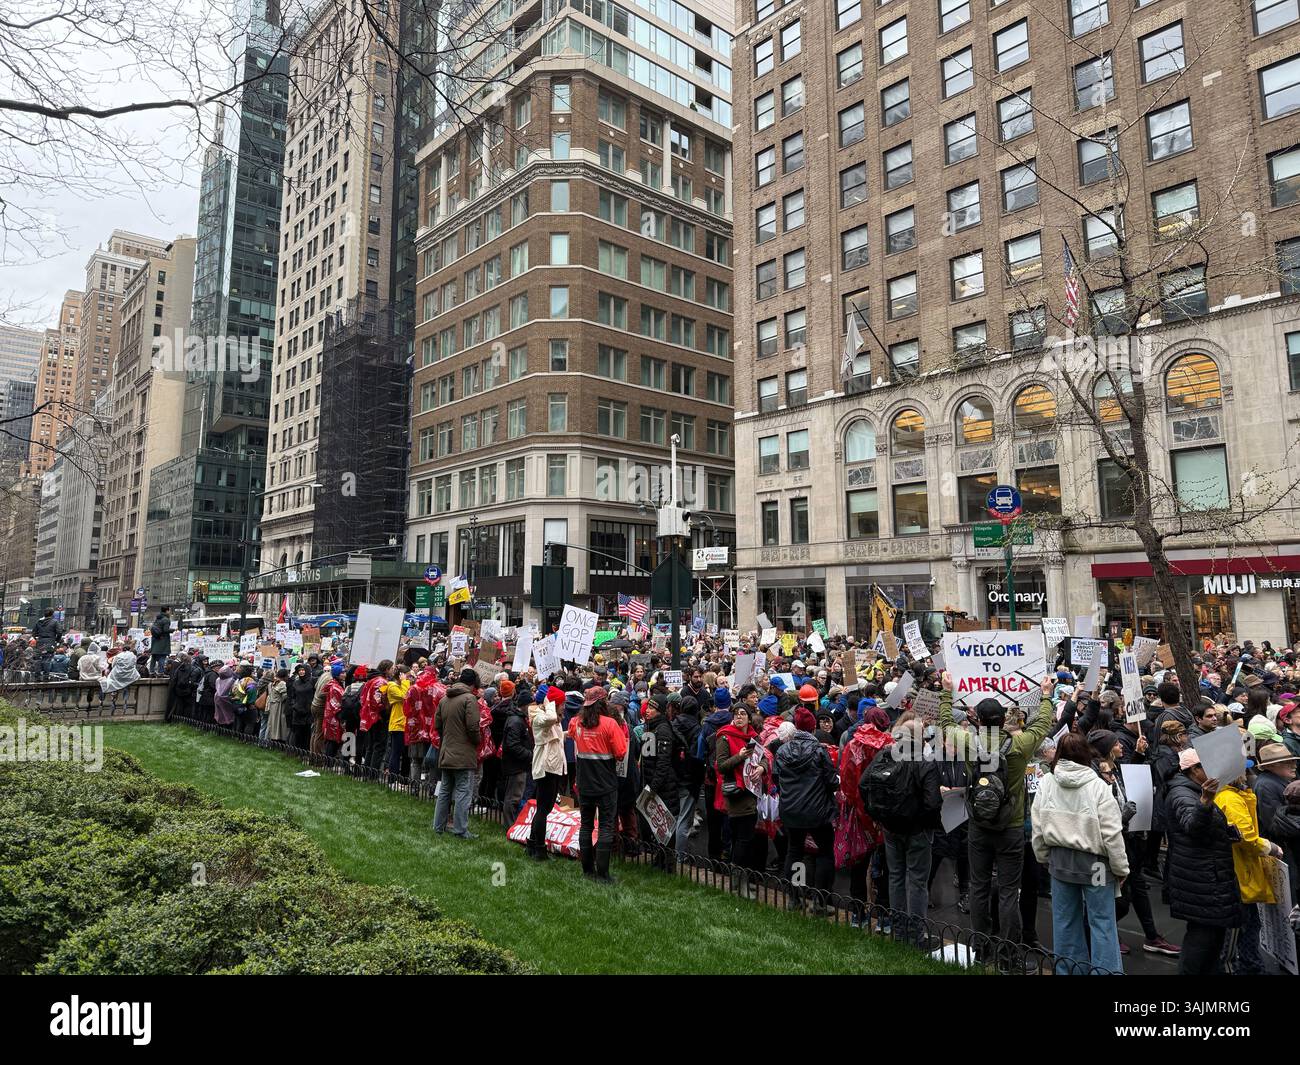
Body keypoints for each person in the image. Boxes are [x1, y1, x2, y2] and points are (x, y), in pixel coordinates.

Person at [938, 673, 1056, 960]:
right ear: (1004, 721)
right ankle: (1009, 955)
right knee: (1008, 891)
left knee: (978, 888)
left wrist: (946, 692)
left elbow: (945, 722)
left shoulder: (967, 741)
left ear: (977, 719)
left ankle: (980, 948)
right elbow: (1042, 724)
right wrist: (1045, 695)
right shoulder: (1020, 745)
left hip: (977, 825)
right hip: (1011, 826)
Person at [1030, 733, 1129, 974]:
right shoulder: (1098, 787)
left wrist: (1043, 857)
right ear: (1086, 753)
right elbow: (1112, 834)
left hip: (1059, 861)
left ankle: (1068, 971)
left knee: (1064, 922)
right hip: (1095, 865)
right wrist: (1121, 868)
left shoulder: (1047, 783)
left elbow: (1038, 825)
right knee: (1102, 923)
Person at [862, 716, 941, 944]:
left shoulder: (885, 754)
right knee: (916, 882)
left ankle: (899, 930)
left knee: (896, 877)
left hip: (891, 828)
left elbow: (864, 784)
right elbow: (933, 802)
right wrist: (925, 822)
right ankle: (915, 936)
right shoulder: (924, 761)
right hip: (914, 830)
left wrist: (878, 816)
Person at [1164, 749, 1240, 974]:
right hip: (1201, 882)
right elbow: (1193, 827)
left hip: (1206, 880)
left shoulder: (1192, 790)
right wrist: (1206, 801)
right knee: (1200, 945)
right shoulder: (1183, 794)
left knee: (1211, 944)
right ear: (1195, 770)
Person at [1214, 768, 1282, 974]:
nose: (1246, 772)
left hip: (1239, 871)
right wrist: (1270, 847)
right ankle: (1246, 969)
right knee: (1243, 928)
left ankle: (1251, 967)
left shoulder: (1231, 795)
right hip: (1240, 873)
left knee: (1248, 925)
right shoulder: (1231, 799)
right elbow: (1247, 838)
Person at [774, 705, 841, 910]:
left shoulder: (783, 750)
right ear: (813, 729)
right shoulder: (819, 750)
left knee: (794, 852)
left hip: (792, 810)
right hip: (817, 811)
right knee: (824, 853)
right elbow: (831, 781)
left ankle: (795, 897)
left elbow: (777, 778)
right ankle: (820, 901)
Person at [567, 686, 628, 882]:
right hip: (605, 783)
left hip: (584, 783)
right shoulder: (610, 724)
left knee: (585, 825)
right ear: (603, 703)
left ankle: (587, 870)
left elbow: (571, 733)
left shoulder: (577, 723)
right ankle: (603, 874)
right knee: (605, 826)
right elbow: (620, 753)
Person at [714, 698, 763, 894]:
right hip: (736, 794)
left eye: (743, 714)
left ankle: (742, 879)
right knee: (743, 838)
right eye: (736, 715)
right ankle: (738, 882)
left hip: (752, 791)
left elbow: (763, 757)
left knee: (746, 838)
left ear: (749, 718)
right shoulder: (724, 736)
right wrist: (739, 757)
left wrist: (762, 767)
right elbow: (721, 765)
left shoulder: (754, 738)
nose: (739, 717)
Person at [434, 668, 481, 839]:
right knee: (463, 791)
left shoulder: (444, 699)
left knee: (445, 790)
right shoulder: (469, 699)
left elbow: (437, 725)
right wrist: (477, 740)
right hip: (463, 753)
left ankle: (438, 826)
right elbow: (473, 727)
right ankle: (461, 829)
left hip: (447, 750)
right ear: (473, 683)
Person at [527, 686, 567, 861]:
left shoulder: (552, 719)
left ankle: (532, 842)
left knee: (546, 808)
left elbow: (555, 737)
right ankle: (539, 849)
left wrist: (569, 733)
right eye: (562, 703)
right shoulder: (540, 716)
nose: (564, 706)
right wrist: (549, 701)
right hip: (545, 767)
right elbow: (550, 718)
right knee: (544, 808)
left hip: (553, 766)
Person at [500, 686, 534, 815]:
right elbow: (513, 745)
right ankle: (510, 825)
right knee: (513, 798)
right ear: (524, 705)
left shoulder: (519, 719)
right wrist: (530, 755)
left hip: (519, 765)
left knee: (516, 796)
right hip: (515, 766)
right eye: (530, 705)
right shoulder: (516, 721)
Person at [264, 668, 290, 743]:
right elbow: (284, 696)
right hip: (279, 706)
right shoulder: (282, 684)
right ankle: (278, 740)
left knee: (272, 724)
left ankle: (271, 740)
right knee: (279, 724)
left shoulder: (272, 683)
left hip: (272, 705)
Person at [148, 607, 172, 676]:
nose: (170, 612)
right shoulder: (166, 620)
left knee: (154, 656)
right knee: (162, 655)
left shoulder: (158, 618)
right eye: (169, 610)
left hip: (155, 640)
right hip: (163, 640)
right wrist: (174, 630)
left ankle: (151, 671)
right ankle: (160, 672)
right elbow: (166, 630)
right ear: (167, 611)